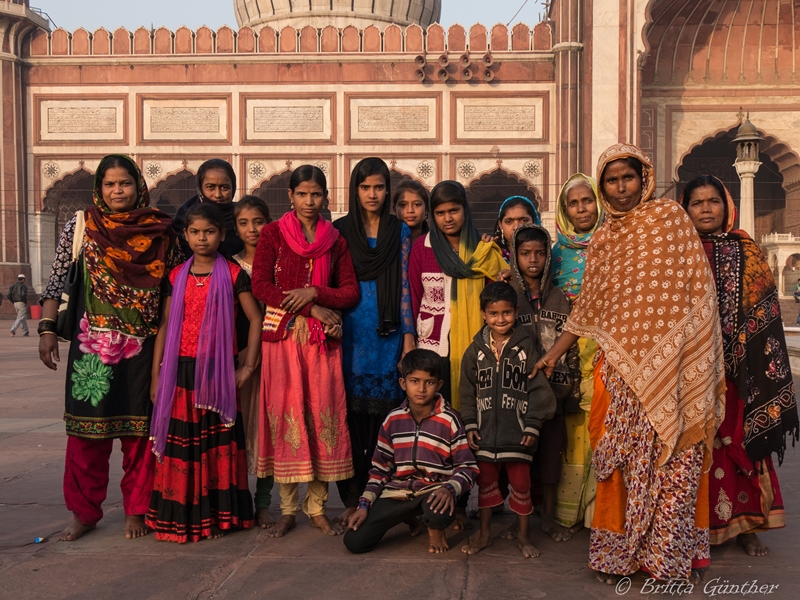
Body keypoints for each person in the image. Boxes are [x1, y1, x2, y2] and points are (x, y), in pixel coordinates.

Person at [533, 144, 725, 585]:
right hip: (621, 371)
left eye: (628, 178)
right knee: (620, 462)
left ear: (645, 178)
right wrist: (553, 353)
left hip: (677, 366)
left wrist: (693, 351)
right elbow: (588, 313)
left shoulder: (671, 220)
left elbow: (699, 292)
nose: (621, 188)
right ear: (603, 187)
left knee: (676, 458)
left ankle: (666, 558)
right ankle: (617, 558)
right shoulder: (605, 240)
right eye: (612, 180)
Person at [38, 154, 181, 542]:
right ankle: (84, 512)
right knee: (86, 436)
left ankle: (137, 509)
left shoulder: (161, 232)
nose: (118, 191)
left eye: (125, 183)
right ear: (98, 188)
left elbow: (177, 289)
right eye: (109, 184)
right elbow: (57, 279)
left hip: (144, 349)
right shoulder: (81, 225)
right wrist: (47, 328)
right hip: (92, 351)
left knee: (140, 435)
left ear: (139, 186)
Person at [681, 174, 798, 557]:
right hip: (689, 372)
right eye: (696, 202)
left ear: (726, 205)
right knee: (694, 449)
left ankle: (748, 525)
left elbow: (764, 310)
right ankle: (694, 525)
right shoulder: (675, 252)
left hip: (738, 371)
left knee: (742, 442)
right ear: (685, 209)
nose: (705, 209)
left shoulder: (745, 249)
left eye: (712, 201)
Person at [251, 165, 360, 538]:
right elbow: (261, 285)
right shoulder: (272, 234)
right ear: (291, 197)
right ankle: (287, 509)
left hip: (321, 344)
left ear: (325, 198)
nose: (309, 202)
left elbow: (350, 292)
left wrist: (316, 292)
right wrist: (310, 306)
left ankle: (316, 508)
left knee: (320, 417)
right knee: (288, 417)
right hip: (282, 340)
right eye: (302, 194)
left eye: (316, 195)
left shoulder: (335, 239)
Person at [147, 203, 260, 543]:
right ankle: (183, 518)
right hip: (180, 374)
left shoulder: (235, 274)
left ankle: (218, 517)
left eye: (209, 232)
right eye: (194, 232)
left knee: (215, 445)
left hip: (219, 374)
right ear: (185, 235)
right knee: (185, 448)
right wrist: (156, 378)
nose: (201, 238)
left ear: (221, 235)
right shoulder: (175, 276)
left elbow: (255, 319)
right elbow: (166, 326)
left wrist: (248, 366)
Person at [333, 158, 416, 525]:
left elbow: (404, 287)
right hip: (349, 335)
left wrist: (409, 337)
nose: (372, 194)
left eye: (379, 187)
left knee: (385, 422)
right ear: (355, 190)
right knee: (349, 421)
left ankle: (381, 497)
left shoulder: (399, 232)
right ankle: (352, 498)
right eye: (365, 187)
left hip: (387, 334)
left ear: (388, 190)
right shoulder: (339, 232)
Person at [343, 349, 478, 554]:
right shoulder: (392, 420)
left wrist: (449, 489)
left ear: (439, 385)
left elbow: (467, 467)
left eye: (429, 382)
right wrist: (364, 505)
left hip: (434, 491)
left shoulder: (450, 419)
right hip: (398, 492)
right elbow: (379, 470)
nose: (421, 389)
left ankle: (435, 530)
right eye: (414, 381)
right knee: (354, 542)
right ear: (403, 384)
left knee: (438, 510)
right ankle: (410, 517)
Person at [459, 282, 557, 558]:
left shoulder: (526, 349)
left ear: (515, 311)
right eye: (493, 314)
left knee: (522, 486)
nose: (500, 319)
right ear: (483, 314)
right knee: (486, 485)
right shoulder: (475, 351)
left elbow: (539, 391)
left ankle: (524, 537)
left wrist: (533, 425)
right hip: (485, 435)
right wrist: (470, 424)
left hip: (518, 435)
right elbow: (467, 390)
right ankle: (484, 535)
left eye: (506, 313)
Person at [409, 180, 508, 409]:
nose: (448, 218)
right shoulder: (421, 248)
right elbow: (413, 298)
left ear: (465, 210)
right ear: (432, 215)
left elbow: (498, 295)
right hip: (433, 345)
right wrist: (409, 342)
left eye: (454, 210)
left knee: (474, 406)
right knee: (436, 410)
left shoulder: (482, 251)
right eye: (440, 213)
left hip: (476, 345)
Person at [508, 224, 579, 543]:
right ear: (515, 256)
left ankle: (548, 519)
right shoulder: (509, 295)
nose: (533, 260)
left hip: (553, 396)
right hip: (517, 397)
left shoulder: (560, 297)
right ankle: (519, 519)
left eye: (539, 253)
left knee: (550, 462)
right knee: (520, 463)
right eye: (525, 254)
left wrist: (570, 393)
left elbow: (572, 348)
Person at [551, 174, 604, 533]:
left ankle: (600, 513)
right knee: (572, 433)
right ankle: (570, 513)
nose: (582, 208)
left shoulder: (613, 242)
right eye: (574, 203)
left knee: (602, 426)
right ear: (564, 209)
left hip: (605, 347)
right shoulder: (556, 253)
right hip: (566, 352)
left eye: (588, 200)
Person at [231, 195, 274, 529]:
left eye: (258, 221)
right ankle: (238, 499)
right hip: (237, 358)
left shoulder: (278, 263)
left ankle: (263, 502)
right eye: (243, 223)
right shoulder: (228, 266)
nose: (252, 229)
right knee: (239, 429)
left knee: (266, 428)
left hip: (273, 356)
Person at [173, 158, 244, 259]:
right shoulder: (184, 218)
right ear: (200, 188)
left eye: (225, 187)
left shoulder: (243, 217)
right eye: (210, 187)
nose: (218, 194)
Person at [493, 196, 541, 261]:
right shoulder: (492, 254)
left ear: (534, 222)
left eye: (524, 221)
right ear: (501, 225)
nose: (516, 227)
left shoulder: (546, 256)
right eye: (509, 222)